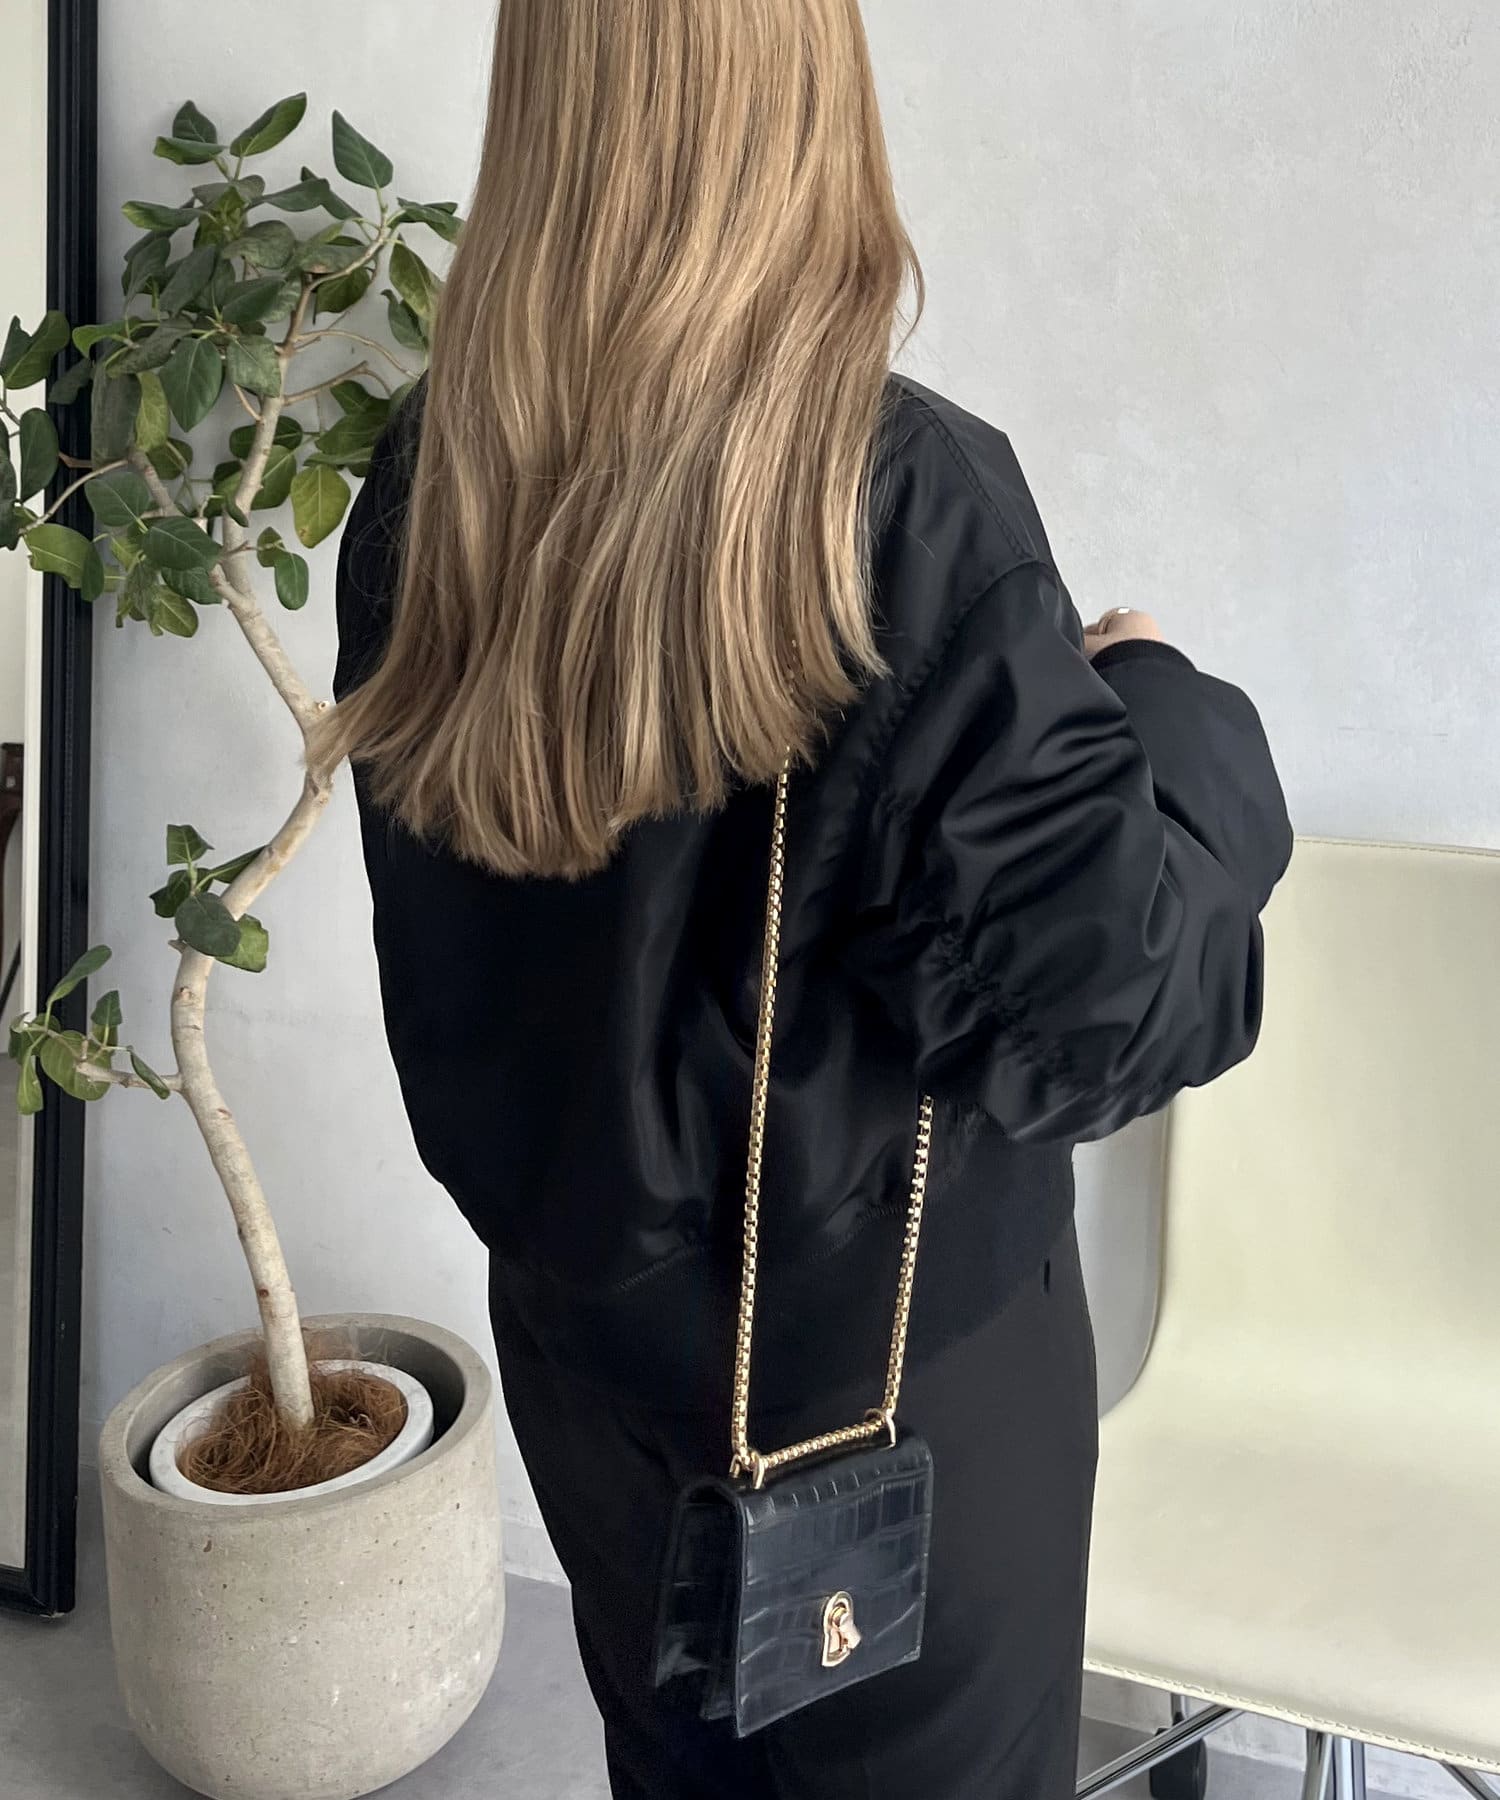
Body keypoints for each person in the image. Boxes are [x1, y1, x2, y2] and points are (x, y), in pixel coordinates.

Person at [318, 2, 1292, 1795]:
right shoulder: (902, 502)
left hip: (592, 1375)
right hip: (885, 1404)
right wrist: (1166, 704)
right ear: (802, 92)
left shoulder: (430, 478)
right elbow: (1119, 1010)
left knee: (672, 1762)